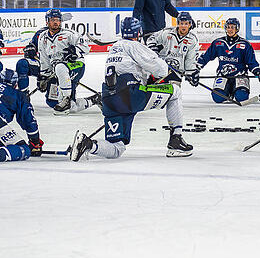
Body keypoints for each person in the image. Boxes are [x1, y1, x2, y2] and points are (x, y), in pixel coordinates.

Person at [69, 17, 192, 161]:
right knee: (175, 92)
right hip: (130, 95)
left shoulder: (114, 49)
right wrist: (157, 58)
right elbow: (162, 70)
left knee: (117, 148)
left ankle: (88, 144)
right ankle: (176, 140)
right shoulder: (134, 46)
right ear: (138, 32)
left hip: (109, 100)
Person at [15, 9, 97, 114]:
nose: (55, 22)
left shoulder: (70, 34)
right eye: (53, 20)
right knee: (53, 103)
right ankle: (94, 100)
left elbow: (86, 48)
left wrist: (74, 51)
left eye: (58, 20)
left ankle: (66, 98)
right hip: (55, 70)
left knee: (60, 67)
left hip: (75, 66)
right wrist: (44, 76)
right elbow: (44, 59)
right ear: (47, 21)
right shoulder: (42, 37)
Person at [195, 17, 260, 104]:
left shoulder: (245, 44)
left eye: (233, 27)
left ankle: (235, 91)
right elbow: (206, 57)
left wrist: (258, 72)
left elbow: (252, 63)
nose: (230, 30)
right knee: (218, 98)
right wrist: (195, 69)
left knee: (241, 97)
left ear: (237, 28)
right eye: (228, 27)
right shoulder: (218, 43)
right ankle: (228, 92)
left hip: (240, 76)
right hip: (223, 75)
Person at [147, 11, 200, 85]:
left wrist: (191, 73)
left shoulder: (192, 40)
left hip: (176, 74)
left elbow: (190, 59)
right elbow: (151, 39)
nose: (183, 26)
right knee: (147, 89)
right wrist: (153, 48)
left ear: (190, 24)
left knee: (170, 94)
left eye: (186, 24)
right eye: (181, 23)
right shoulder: (167, 32)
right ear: (178, 24)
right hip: (160, 68)